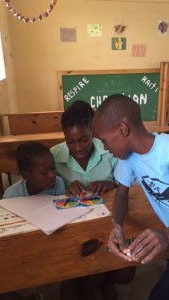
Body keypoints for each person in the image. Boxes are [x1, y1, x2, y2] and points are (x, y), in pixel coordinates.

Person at [92, 94, 169, 300]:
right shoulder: (129, 155)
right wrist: (116, 224)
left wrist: (167, 235)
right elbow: (121, 192)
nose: (105, 148)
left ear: (122, 129)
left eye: (104, 140)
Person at [51, 100, 136, 300]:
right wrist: (64, 188)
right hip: (71, 230)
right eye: (70, 142)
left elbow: (129, 185)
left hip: (106, 223)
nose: (78, 147)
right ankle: (89, 283)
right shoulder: (54, 156)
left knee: (126, 272)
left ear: (94, 132)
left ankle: (100, 281)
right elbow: (46, 193)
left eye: (84, 139)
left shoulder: (109, 150)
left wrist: (112, 184)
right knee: (77, 281)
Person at [0, 142, 65, 300]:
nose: (52, 175)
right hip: (24, 246)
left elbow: (61, 217)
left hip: (52, 242)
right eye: (44, 172)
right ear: (26, 175)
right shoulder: (11, 196)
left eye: (53, 169)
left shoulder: (58, 185)